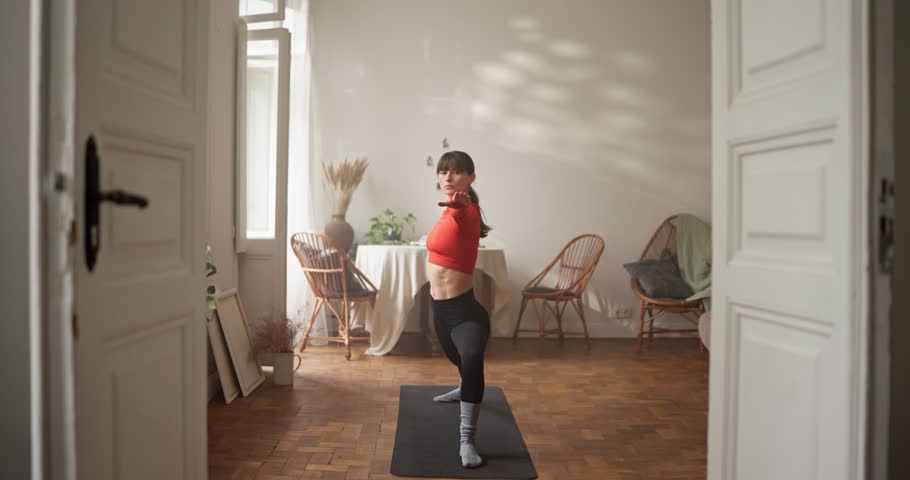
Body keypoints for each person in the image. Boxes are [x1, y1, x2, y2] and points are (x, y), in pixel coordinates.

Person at [425, 150, 493, 468]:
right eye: (443, 172)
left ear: (471, 177)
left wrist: (462, 206)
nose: (448, 177)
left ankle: (467, 440)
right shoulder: (444, 212)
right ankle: (463, 387)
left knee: (471, 358)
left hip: (465, 312)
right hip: (439, 309)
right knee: (457, 359)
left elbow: (464, 213)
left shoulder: (468, 210)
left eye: (456, 172)